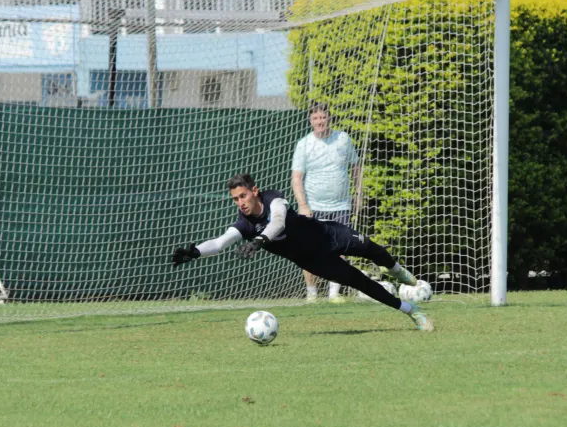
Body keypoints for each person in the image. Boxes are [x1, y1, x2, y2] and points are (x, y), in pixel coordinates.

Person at [171, 173, 433, 332]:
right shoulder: (244, 223)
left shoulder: (274, 198)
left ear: (254, 191)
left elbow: (278, 222)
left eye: (243, 196)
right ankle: (412, 311)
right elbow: (220, 242)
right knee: (361, 282)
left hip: (328, 234)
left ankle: (399, 272)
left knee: (373, 249)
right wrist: (194, 252)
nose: (240, 203)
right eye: (235, 199)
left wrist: (260, 241)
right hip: (314, 261)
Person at [291, 102, 360, 303]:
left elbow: (356, 167)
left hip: (341, 205)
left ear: (329, 118)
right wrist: (303, 205)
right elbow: (296, 178)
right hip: (314, 207)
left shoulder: (343, 139)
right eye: (315, 118)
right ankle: (311, 295)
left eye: (323, 117)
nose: (320, 121)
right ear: (310, 121)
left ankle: (334, 294)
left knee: (339, 249)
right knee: (310, 251)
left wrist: (359, 192)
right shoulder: (304, 144)